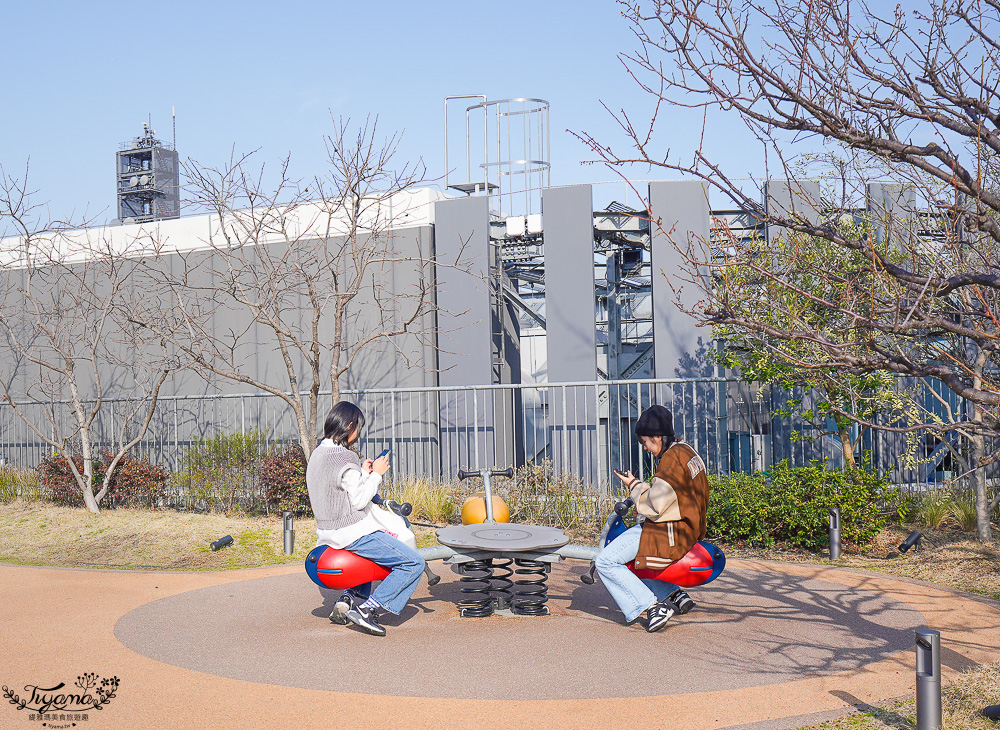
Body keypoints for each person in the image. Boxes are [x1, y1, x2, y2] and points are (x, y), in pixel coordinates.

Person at [306, 401, 425, 637]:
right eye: (358, 428)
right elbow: (359, 501)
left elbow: (337, 488)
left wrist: (362, 472)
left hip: (326, 533)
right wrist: (377, 476)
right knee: (413, 563)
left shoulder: (317, 454)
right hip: (352, 532)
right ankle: (367, 609)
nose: (357, 434)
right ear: (350, 425)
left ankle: (349, 598)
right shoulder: (345, 457)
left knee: (370, 562)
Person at [595, 405, 710, 632]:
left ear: (658, 436)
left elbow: (655, 505)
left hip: (668, 530)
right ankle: (673, 593)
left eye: (645, 441)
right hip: (688, 527)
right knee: (631, 560)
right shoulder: (687, 451)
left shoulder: (671, 461)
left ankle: (652, 606)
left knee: (606, 562)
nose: (645, 447)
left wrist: (635, 487)